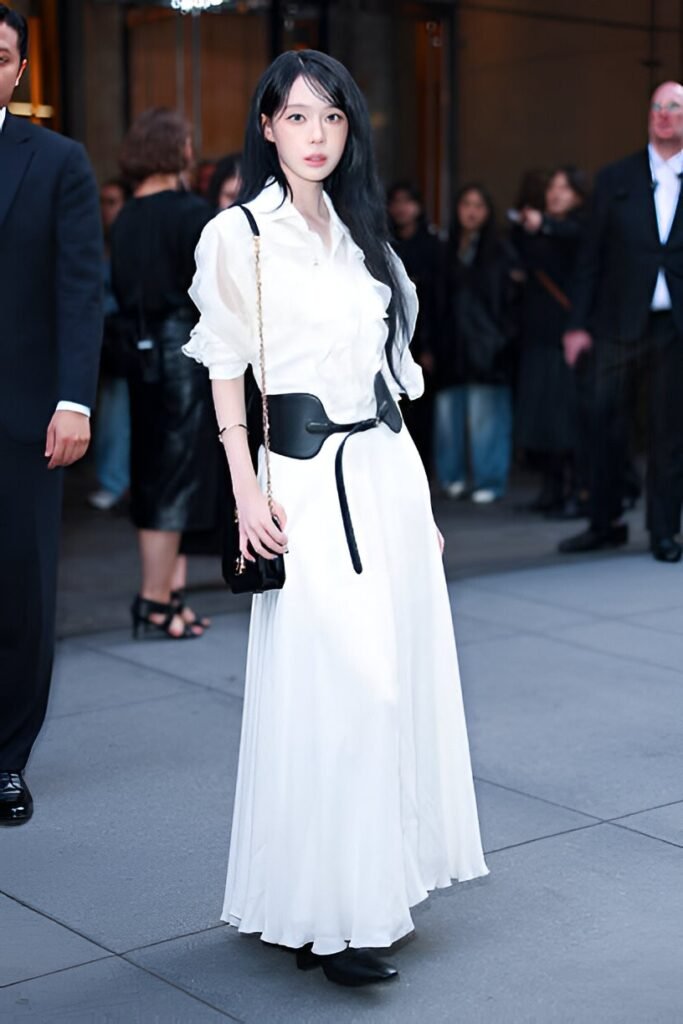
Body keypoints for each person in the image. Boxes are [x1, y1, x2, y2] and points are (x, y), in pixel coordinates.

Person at [183, 50, 488, 986]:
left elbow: (391, 384)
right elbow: (223, 368)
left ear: (348, 130)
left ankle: (353, 893)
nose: (315, 136)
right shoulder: (238, 234)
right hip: (302, 487)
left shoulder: (367, 238)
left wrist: (423, 499)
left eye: (333, 118)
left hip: (385, 479)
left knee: (389, 686)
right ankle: (334, 915)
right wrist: (243, 491)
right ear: (266, 127)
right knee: (343, 690)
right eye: (297, 118)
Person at [0, 7, 102, 825]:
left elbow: (79, 288)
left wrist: (74, 399)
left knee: (21, 595)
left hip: (25, 418)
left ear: (21, 69)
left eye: (0, 57)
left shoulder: (57, 160)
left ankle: (6, 758)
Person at [561, 81, 683, 563]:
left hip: (674, 328)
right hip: (617, 321)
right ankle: (604, 522)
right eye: (656, 106)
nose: (663, 114)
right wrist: (576, 324)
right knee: (602, 420)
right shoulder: (616, 178)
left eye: (674, 107)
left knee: (668, 431)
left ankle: (663, 531)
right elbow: (590, 256)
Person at [110, 109, 217, 638]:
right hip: (183, 355)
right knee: (174, 482)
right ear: (176, 148)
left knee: (157, 474)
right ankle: (155, 601)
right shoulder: (192, 213)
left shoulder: (126, 216)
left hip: (139, 355)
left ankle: (170, 598)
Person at [434, 183, 519, 502]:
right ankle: (451, 476)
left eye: (479, 205)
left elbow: (512, 305)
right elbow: (433, 301)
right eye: (466, 204)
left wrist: (502, 340)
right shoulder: (445, 250)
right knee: (448, 418)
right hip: (451, 345)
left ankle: (489, 480)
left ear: (488, 211)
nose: (471, 211)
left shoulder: (501, 251)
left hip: (489, 347)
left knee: (488, 420)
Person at [514, 166, 589, 516]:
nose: (556, 193)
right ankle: (552, 488)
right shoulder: (538, 230)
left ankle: (578, 491)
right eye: (552, 187)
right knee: (542, 416)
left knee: (567, 419)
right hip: (539, 333)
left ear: (578, 195)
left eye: (565, 188)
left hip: (569, 336)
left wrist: (542, 224)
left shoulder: (582, 226)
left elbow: (572, 235)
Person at [387, 181, 443, 474]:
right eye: (396, 202)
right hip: (390, 333)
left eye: (407, 202)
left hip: (423, 335)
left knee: (422, 403)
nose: (401, 209)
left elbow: (437, 300)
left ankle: (423, 466)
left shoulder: (431, 246)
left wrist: (433, 344)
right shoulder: (383, 241)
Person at [88, 178, 132, 512]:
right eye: (103, 201)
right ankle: (115, 478)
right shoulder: (101, 242)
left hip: (123, 338)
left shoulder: (127, 241)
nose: (106, 209)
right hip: (106, 339)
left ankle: (116, 479)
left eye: (112, 201)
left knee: (117, 412)